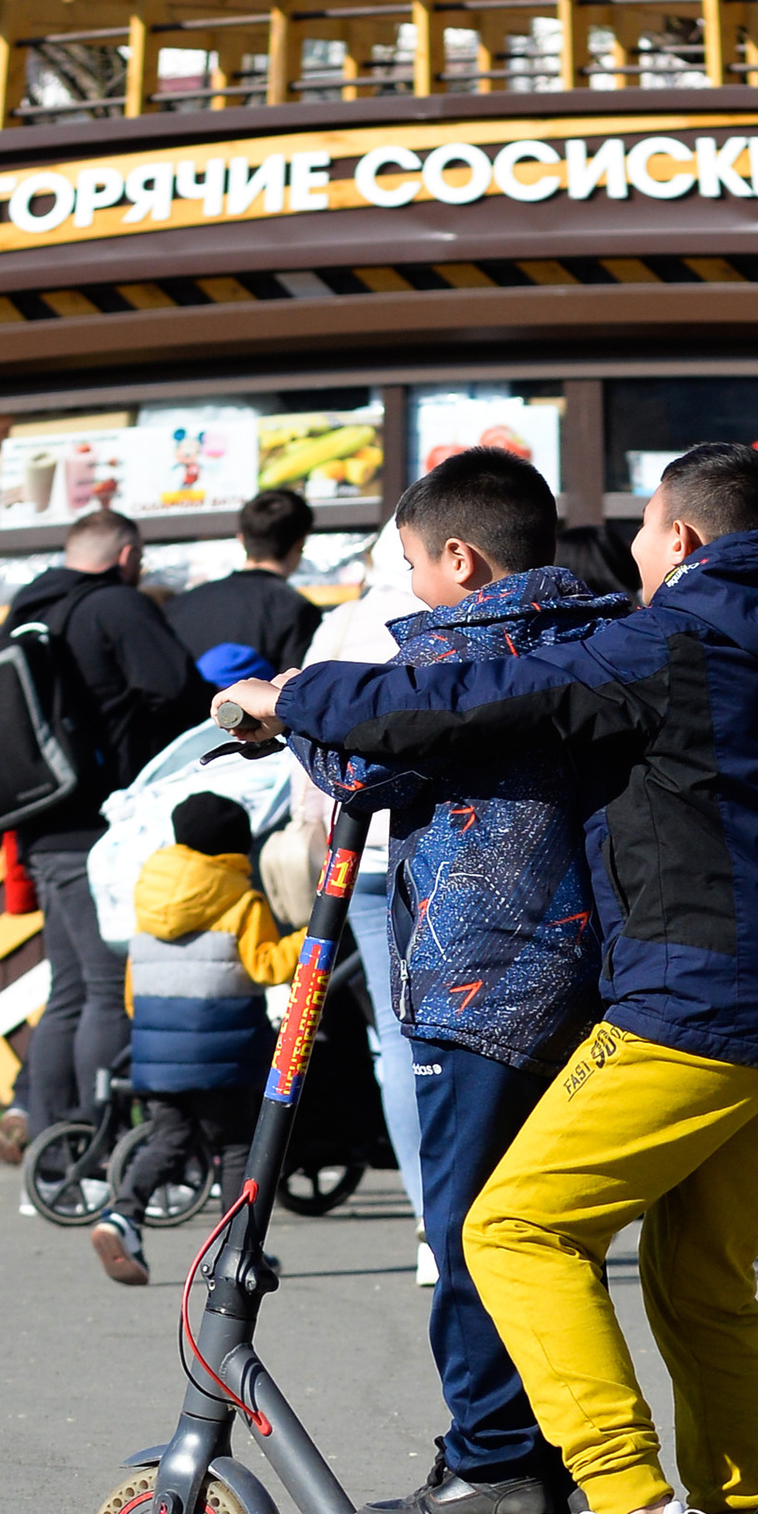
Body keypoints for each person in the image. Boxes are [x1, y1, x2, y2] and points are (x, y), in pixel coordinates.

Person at [257, 438, 758, 1514]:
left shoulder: (671, 638)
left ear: (683, 541)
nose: (629, 554)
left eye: (644, 533)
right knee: (701, 1283)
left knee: (515, 1230)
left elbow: (470, 701)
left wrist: (296, 699)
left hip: (699, 995)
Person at [283, 447, 632, 1514]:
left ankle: (492, 1462)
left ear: (462, 561)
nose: (409, 591)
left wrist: (282, 705)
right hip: (590, 977)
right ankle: (569, 1456)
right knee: (544, 1230)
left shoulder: (461, 655)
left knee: (470, 1225)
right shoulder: (601, 635)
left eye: (412, 570)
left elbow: (357, 763)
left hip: (480, 979)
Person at [2, 513, 206, 1170]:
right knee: (103, 983)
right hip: (101, 822)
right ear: (127, 556)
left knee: (68, 987)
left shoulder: (28, 609)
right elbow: (177, 688)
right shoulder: (116, 604)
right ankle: (97, 1151)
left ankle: (53, 1149)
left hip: (40, 822)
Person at [88, 790, 302, 1286]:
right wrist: (309, 935)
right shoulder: (240, 899)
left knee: (169, 1137)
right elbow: (265, 966)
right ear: (235, 849)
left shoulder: (148, 897)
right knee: (233, 1146)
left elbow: (131, 990)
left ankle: (121, 1215)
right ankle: (238, 1252)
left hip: (156, 1050)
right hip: (222, 1053)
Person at [291, 525, 430, 1275]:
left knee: (399, 1042)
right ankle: (481, 1216)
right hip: (453, 846)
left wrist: (317, 838)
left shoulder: (340, 624)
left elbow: (300, 746)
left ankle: (427, 1222)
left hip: (362, 855)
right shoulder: (458, 610)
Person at [169, 486, 319, 677]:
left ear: (241, 538)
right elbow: (294, 691)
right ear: (300, 543)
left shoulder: (181, 604)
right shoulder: (298, 610)